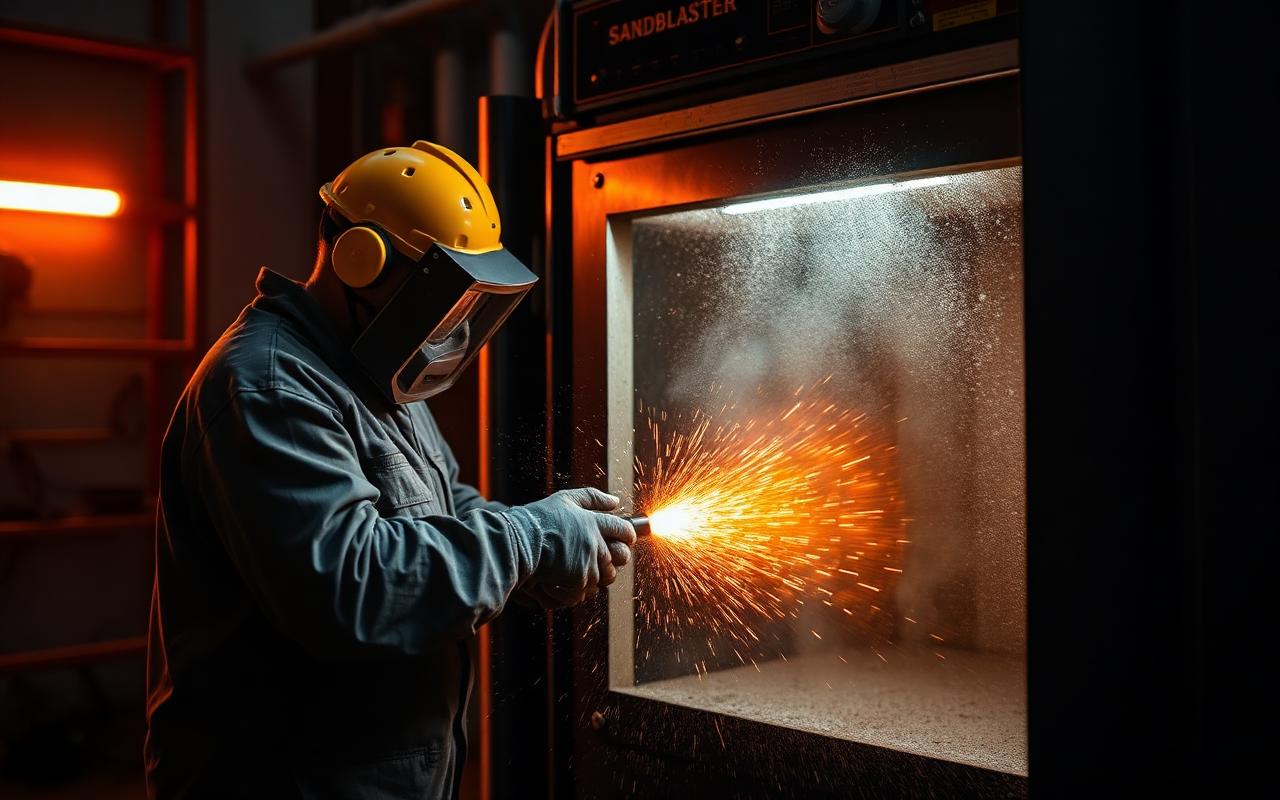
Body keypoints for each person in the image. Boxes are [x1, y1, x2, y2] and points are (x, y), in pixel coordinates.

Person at [144, 140, 635, 799]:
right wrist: (526, 540)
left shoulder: (374, 373)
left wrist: (536, 557)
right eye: (442, 297)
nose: (451, 328)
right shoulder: (269, 389)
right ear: (361, 261)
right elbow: (350, 584)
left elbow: (446, 513)